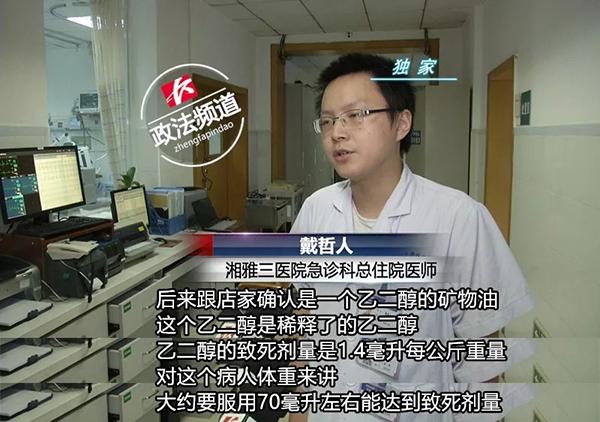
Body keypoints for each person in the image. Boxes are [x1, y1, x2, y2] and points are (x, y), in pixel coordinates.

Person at [289, 53, 535, 422]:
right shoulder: (316, 210)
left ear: (401, 123)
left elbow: (481, 360)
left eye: (356, 115)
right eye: (328, 120)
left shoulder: (458, 218)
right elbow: (304, 324)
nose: (337, 132)